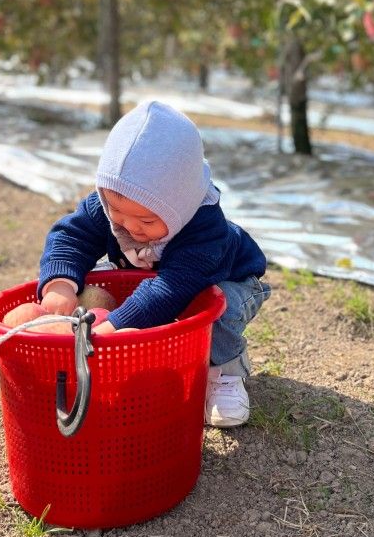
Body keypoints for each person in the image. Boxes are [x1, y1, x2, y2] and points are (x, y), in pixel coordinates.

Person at [37, 99, 271, 428]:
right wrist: (61, 284)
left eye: (146, 221)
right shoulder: (107, 206)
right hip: (160, 283)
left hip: (230, 282)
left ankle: (225, 374)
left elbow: (171, 289)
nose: (130, 226)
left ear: (181, 204)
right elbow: (70, 237)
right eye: (116, 212)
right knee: (101, 280)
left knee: (217, 309)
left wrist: (113, 325)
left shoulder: (204, 229)